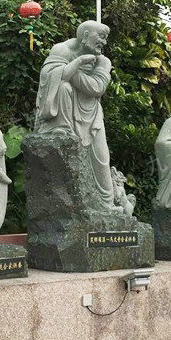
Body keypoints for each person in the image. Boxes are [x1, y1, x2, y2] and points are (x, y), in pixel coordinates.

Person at [34, 20, 115, 207]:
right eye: (101, 37)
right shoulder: (62, 50)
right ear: (85, 35)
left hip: (91, 114)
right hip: (64, 110)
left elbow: (97, 88)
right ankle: (60, 128)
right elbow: (49, 78)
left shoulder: (103, 61)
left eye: (105, 38)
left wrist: (70, 71)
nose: (104, 42)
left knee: (101, 159)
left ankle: (107, 205)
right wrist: (78, 62)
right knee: (63, 87)